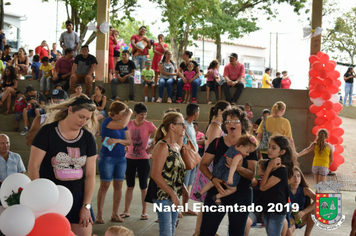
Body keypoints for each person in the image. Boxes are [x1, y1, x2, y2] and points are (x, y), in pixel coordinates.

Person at [28, 95, 98, 236]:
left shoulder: (88, 138)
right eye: (81, 116)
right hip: (51, 197)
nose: (84, 121)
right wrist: (41, 196)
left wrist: (86, 206)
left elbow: (90, 175)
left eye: (87, 118)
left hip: (79, 197)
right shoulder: (47, 132)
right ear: (70, 110)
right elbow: (33, 166)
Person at [199, 108, 258, 235]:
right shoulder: (217, 142)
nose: (231, 123)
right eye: (228, 121)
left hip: (241, 194)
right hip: (217, 191)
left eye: (235, 120)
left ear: (242, 123)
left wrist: (238, 168)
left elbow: (252, 174)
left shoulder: (250, 145)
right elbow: (203, 164)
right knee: (206, 231)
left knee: (236, 232)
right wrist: (213, 179)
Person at [146, 112, 188, 236]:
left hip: (173, 194)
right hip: (162, 195)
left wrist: (183, 189)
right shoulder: (162, 146)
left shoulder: (175, 146)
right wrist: (173, 194)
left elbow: (176, 172)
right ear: (172, 126)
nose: (184, 127)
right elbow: (155, 175)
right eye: (182, 124)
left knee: (172, 228)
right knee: (166, 231)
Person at [96, 102, 132, 224]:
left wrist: (117, 140)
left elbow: (128, 141)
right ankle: (99, 214)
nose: (124, 115)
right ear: (115, 113)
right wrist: (130, 113)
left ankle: (115, 213)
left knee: (119, 186)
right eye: (122, 113)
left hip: (121, 158)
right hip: (107, 158)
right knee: (104, 185)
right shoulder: (107, 122)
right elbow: (123, 125)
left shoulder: (124, 124)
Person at [194, 134, 258, 204]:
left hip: (218, 169)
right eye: (247, 152)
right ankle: (217, 196)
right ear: (241, 146)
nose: (248, 154)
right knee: (233, 189)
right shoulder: (239, 155)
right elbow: (233, 166)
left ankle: (200, 193)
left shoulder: (232, 147)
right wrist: (230, 178)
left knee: (212, 182)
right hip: (226, 175)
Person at [120, 103, 156, 221]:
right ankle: (126, 210)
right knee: (129, 186)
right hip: (129, 159)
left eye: (145, 114)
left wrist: (151, 148)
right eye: (141, 114)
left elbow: (160, 134)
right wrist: (125, 144)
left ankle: (144, 212)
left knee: (143, 187)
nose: (143, 117)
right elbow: (122, 134)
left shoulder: (149, 125)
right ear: (135, 113)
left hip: (143, 159)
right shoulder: (129, 124)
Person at [259, 135, 294, 236]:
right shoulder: (269, 163)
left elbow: (263, 187)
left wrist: (269, 168)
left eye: (274, 148)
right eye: (269, 146)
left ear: (282, 152)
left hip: (277, 209)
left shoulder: (282, 169)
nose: (269, 150)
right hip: (267, 206)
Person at [288, 166, 316, 235]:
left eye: (298, 176)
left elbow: (318, 200)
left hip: (302, 216)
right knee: (290, 228)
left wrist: (303, 212)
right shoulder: (285, 190)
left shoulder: (304, 189)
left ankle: (307, 234)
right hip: (289, 216)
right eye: (293, 176)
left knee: (315, 209)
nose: (296, 178)